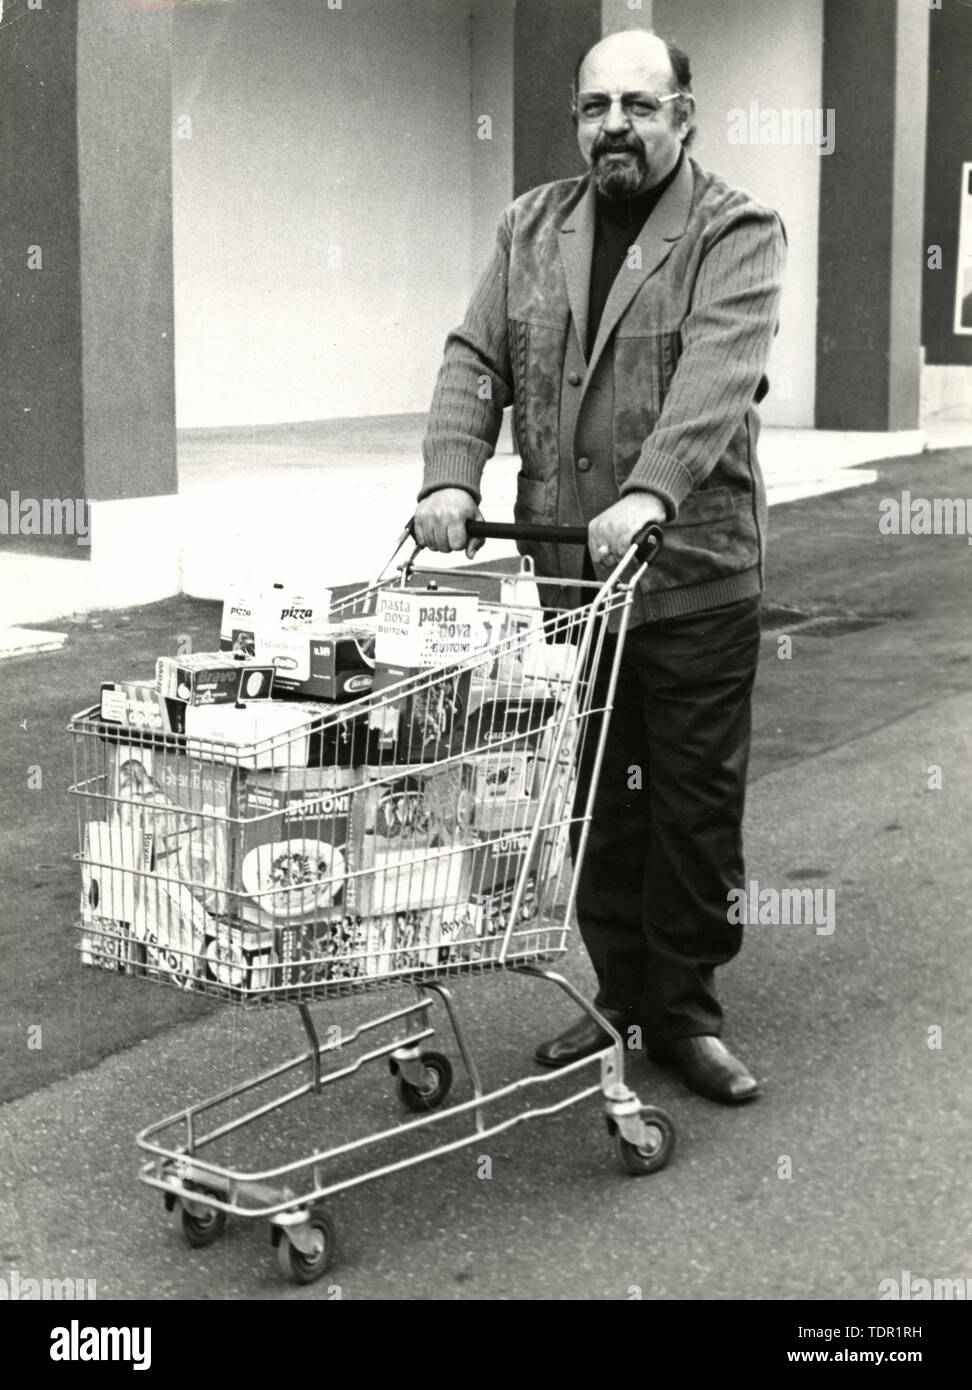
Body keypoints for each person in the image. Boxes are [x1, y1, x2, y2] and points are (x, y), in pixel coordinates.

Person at [413, 28, 787, 1104]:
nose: (612, 124)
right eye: (593, 106)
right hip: (574, 579)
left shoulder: (737, 230)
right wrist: (451, 473)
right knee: (598, 803)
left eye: (638, 103)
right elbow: (475, 354)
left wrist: (650, 489)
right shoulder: (533, 223)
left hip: (692, 573)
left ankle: (685, 1011)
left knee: (691, 803)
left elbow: (719, 372)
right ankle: (619, 998)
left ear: (684, 115)